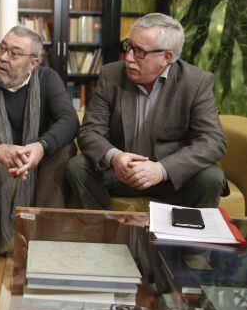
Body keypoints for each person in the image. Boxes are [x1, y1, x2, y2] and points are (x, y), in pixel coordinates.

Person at [0, 26, 79, 287]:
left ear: (33, 63)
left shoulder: (47, 79)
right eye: (2, 48)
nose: (2, 57)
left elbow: (69, 120)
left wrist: (41, 146)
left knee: (65, 148)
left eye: (14, 53)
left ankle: (42, 241)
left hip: (36, 161)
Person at [65, 13, 228, 211]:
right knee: (78, 167)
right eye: (129, 46)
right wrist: (115, 157)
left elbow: (213, 141)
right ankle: (105, 232)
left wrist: (162, 169)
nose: (129, 58)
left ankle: (189, 239)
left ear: (166, 57)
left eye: (139, 51)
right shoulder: (111, 75)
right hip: (120, 173)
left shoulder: (195, 82)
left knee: (211, 177)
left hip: (171, 178)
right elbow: (89, 131)